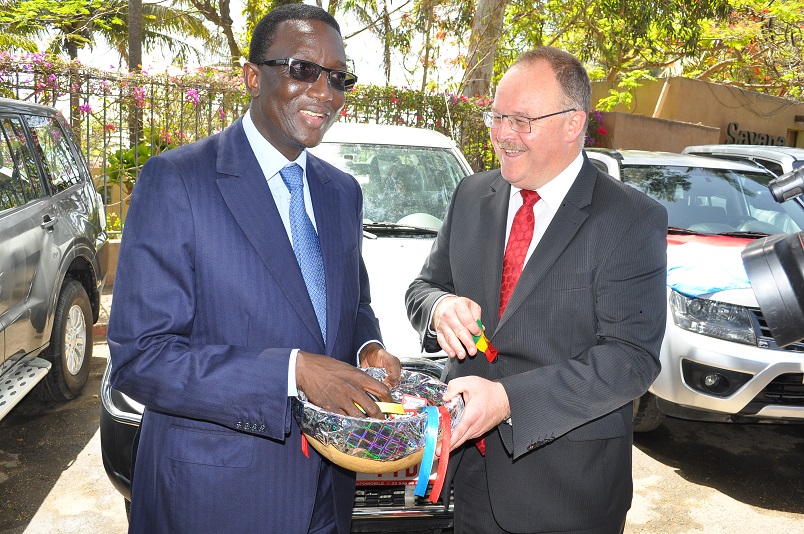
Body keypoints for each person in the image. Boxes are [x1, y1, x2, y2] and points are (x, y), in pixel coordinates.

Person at [107, 4, 401, 533]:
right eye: (302, 70)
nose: (324, 92)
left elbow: (352, 305)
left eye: (338, 78)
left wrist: (366, 348)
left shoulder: (342, 193)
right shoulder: (177, 181)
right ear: (251, 75)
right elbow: (141, 356)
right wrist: (291, 373)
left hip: (328, 494)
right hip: (214, 500)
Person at [406, 46, 667, 534]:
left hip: (568, 493)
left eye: (522, 120)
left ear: (573, 123)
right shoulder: (471, 196)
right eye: (498, 115)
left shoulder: (631, 219)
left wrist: (507, 399)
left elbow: (630, 359)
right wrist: (439, 307)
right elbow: (423, 287)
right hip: (471, 479)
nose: (503, 134)